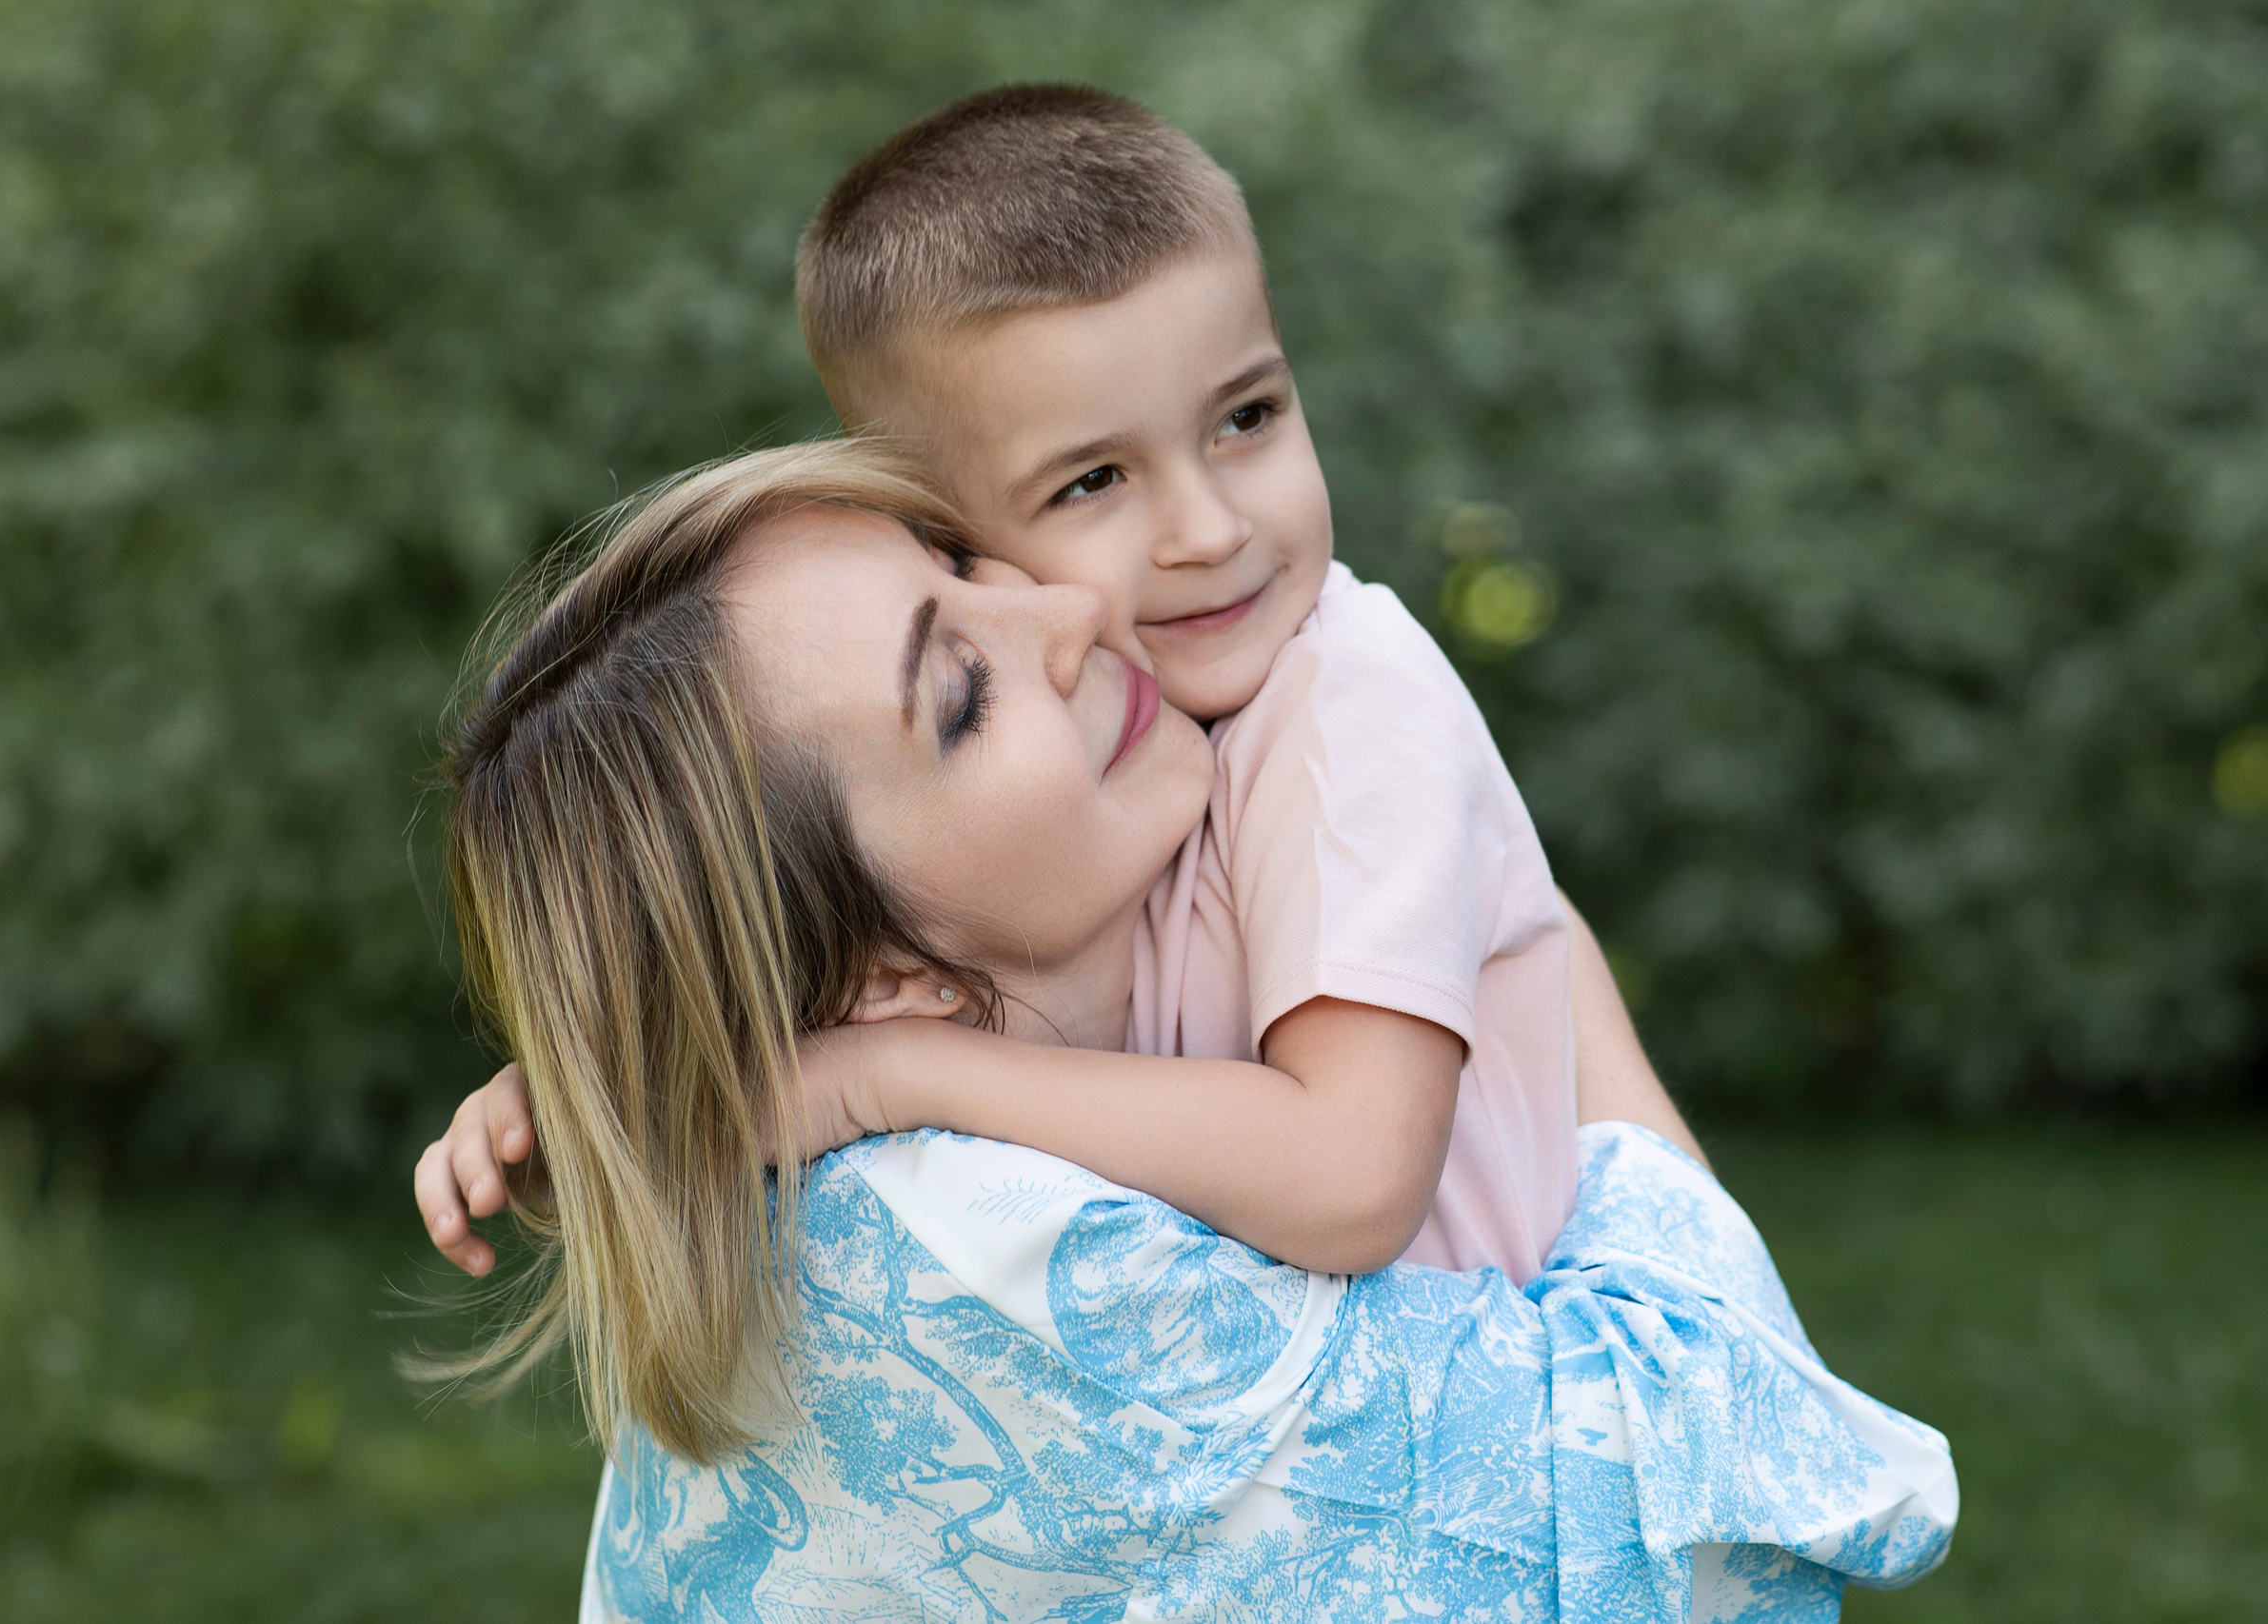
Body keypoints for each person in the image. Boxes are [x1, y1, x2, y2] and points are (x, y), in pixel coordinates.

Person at [429, 441, 1954, 1619]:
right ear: (874, 994)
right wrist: (1520, 925)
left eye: (964, 561)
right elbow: (1715, 1510)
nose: (1076, 606)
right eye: (962, 689)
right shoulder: (1011, 1265)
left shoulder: (826, 1146)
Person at [437, 82, 1581, 1295]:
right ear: (935, 506)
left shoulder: (1349, 698)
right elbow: (903, 977)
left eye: (1247, 415)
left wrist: (882, 1080)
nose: (1210, 527)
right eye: (1090, 483)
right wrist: (610, 1094)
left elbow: (1351, 1179)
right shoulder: (1126, 755)